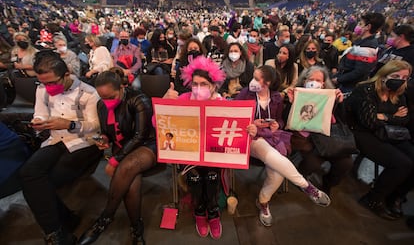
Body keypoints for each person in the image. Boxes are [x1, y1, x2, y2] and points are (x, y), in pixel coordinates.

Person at [19, 50, 102, 244]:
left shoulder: (89, 93)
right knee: (28, 173)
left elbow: (95, 126)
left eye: (52, 83)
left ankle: (61, 228)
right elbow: (39, 113)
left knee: (46, 180)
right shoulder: (42, 89)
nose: (48, 88)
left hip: (83, 142)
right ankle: (57, 232)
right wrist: (39, 122)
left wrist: (69, 124)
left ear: (66, 75)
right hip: (55, 139)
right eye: (44, 83)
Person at [235, 65, 331, 227]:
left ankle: (263, 202)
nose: (253, 81)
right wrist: (251, 123)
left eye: (258, 79)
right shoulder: (245, 94)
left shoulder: (277, 98)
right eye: (254, 77)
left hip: (272, 136)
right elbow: (234, 117)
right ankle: (306, 186)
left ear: (268, 83)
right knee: (272, 156)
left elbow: (279, 120)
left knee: (277, 171)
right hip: (251, 137)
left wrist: (275, 125)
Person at [78, 70, 156, 245]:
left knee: (127, 167)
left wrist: (115, 159)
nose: (106, 102)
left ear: (122, 87)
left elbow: (140, 135)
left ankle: (105, 218)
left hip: (146, 145)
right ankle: (137, 228)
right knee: (130, 185)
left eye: (110, 96)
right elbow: (107, 132)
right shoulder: (101, 105)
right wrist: (104, 139)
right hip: (123, 150)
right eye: (102, 97)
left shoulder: (138, 99)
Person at [162, 56, 226, 239]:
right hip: (188, 153)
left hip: (213, 153)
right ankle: (199, 212)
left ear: (213, 85)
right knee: (195, 176)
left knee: (212, 175)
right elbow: (157, 122)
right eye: (195, 83)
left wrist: (249, 128)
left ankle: (213, 213)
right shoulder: (183, 98)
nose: (198, 88)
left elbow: (236, 127)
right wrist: (166, 101)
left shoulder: (222, 103)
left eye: (204, 84)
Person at [347, 59, 414, 220]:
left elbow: (404, 119)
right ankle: (373, 199)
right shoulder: (366, 89)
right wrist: (392, 116)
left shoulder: (399, 94)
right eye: (396, 75)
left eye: (405, 78)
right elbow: (368, 122)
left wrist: (382, 116)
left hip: (389, 133)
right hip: (361, 133)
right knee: (402, 164)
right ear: (384, 75)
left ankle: (394, 196)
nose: (400, 80)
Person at [289, 66, 353, 195]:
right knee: (312, 163)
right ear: (304, 81)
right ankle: (301, 179)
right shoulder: (297, 95)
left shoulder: (331, 96)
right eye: (310, 79)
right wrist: (292, 103)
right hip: (308, 140)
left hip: (329, 139)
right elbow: (290, 122)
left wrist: (340, 103)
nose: (314, 82)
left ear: (324, 83)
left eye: (318, 80)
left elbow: (343, 121)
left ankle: (328, 182)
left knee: (345, 163)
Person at [333, 12, 385, 93]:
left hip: (350, 86)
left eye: (360, 24)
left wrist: (339, 79)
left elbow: (359, 72)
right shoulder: (361, 41)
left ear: (368, 27)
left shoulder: (369, 47)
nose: (357, 26)